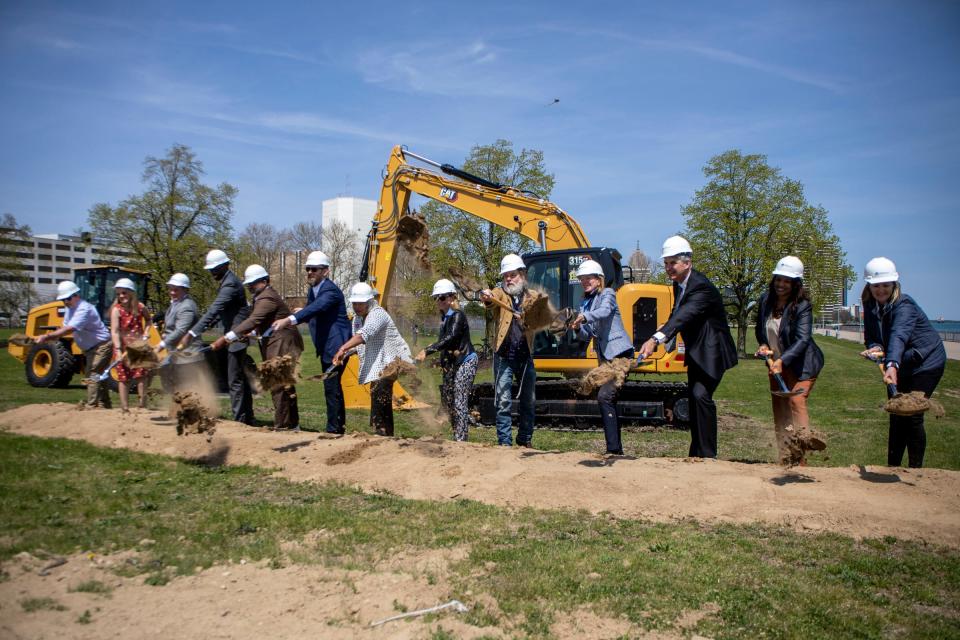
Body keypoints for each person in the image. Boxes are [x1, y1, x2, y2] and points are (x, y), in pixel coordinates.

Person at [638, 236, 738, 458]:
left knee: (701, 395)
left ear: (687, 262)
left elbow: (685, 315)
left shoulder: (701, 287)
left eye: (672, 263)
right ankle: (697, 453)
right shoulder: (679, 284)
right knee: (694, 399)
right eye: (665, 263)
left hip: (712, 352)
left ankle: (708, 455)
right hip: (696, 351)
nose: (668, 268)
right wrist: (665, 327)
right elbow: (677, 312)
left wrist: (655, 339)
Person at [859, 257, 946, 468]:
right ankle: (893, 467)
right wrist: (876, 348)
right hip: (900, 362)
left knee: (913, 414)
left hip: (926, 362)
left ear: (894, 285)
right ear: (869, 286)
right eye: (876, 285)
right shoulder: (870, 304)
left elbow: (899, 335)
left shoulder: (904, 305)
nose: (881, 290)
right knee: (897, 413)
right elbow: (873, 336)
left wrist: (891, 365)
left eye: (886, 285)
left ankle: (916, 471)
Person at [214, 265, 304, 430]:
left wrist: (228, 337)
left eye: (253, 283)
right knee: (285, 384)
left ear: (264, 281)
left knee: (277, 384)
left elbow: (253, 320)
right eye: (248, 283)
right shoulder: (263, 296)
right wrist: (252, 332)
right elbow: (261, 323)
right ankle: (292, 424)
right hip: (280, 342)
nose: (249, 286)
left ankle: (283, 427)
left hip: (282, 343)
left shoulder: (266, 297)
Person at [271, 251, 351, 435]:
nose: (309, 272)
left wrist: (289, 319)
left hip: (337, 346)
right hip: (326, 346)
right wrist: (305, 310)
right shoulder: (313, 289)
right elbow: (315, 310)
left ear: (326, 271)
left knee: (332, 388)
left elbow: (318, 308)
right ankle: (336, 428)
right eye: (307, 269)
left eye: (314, 269)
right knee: (331, 388)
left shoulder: (330, 290)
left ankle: (335, 430)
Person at [753, 256, 824, 461]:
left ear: (795, 284)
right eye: (778, 279)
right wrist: (764, 345)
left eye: (787, 281)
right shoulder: (766, 300)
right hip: (775, 364)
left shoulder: (802, 306)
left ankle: (802, 452)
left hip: (802, 364)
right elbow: (760, 331)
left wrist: (782, 361)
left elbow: (803, 340)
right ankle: (786, 456)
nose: (781, 285)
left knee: (795, 400)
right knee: (781, 410)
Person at [479, 253, 548, 447]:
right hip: (504, 357)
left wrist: (525, 318)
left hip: (525, 358)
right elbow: (491, 300)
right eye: (506, 276)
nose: (508, 279)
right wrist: (487, 296)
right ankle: (505, 444)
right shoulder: (501, 293)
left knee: (528, 402)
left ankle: (524, 439)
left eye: (513, 275)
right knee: (503, 402)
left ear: (523, 275)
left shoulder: (533, 297)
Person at [179, 249, 253, 425]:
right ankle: (247, 418)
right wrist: (210, 325)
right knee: (239, 378)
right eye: (211, 269)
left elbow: (214, 309)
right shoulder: (227, 282)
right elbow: (222, 312)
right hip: (234, 334)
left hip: (236, 336)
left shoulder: (230, 284)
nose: (212, 272)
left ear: (224, 266)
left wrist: (192, 333)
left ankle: (239, 421)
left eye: (215, 269)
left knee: (234, 379)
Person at [570, 260, 635, 456]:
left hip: (620, 355)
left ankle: (613, 450)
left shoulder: (608, 294)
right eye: (582, 279)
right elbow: (587, 334)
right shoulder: (585, 303)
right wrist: (577, 328)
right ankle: (615, 449)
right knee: (607, 400)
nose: (585, 281)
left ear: (599, 280)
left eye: (589, 278)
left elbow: (605, 311)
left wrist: (585, 317)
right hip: (605, 359)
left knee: (604, 396)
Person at [332, 283, 413, 436]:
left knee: (380, 389)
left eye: (360, 303)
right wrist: (347, 352)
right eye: (354, 303)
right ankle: (382, 430)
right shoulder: (357, 319)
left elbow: (364, 335)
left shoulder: (378, 314)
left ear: (369, 301)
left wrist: (343, 348)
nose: (357, 307)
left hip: (395, 359)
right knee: (377, 391)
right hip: (380, 362)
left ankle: (382, 432)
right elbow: (359, 343)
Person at [415, 279, 479, 442]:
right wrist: (440, 360)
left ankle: (460, 440)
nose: (439, 302)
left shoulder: (458, 315)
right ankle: (456, 434)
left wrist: (428, 350)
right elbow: (445, 342)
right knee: (449, 400)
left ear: (452, 297)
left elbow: (451, 338)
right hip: (454, 364)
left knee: (459, 398)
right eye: (436, 298)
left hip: (466, 361)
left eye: (442, 298)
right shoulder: (445, 318)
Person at [35, 280, 112, 408]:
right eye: (63, 300)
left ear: (76, 295)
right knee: (99, 375)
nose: (65, 302)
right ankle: (105, 404)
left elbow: (70, 329)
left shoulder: (84, 309)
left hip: (102, 345)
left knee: (93, 373)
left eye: (68, 298)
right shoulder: (70, 309)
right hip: (91, 348)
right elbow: (65, 328)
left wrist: (47, 336)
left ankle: (92, 405)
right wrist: (52, 336)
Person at [110, 278, 155, 411]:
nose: (121, 296)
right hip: (122, 346)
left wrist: (146, 333)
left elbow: (148, 320)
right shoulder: (116, 310)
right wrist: (118, 350)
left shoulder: (140, 307)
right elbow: (115, 331)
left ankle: (142, 405)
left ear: (131, 293)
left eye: (124, 293)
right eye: (118, 294)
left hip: (139, 345)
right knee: (123, 377)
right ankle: (125, 407)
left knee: (141, 375)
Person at [154, 273, 199, 392]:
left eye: (176, 290)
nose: (172, 292)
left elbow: (180, 330)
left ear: (185, 290)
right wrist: (165, 334)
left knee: (185, 384)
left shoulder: (187, 307)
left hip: (187, 353)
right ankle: (176, 403)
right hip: (176, 351)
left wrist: (163, 344)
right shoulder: (176, 303)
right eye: (171, 289)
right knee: (165, 371)